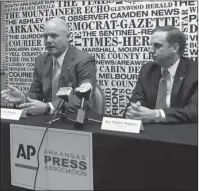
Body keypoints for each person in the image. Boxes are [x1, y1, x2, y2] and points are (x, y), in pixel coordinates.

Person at [1, 18, 96, 115]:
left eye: (54, 36)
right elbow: (36, 92)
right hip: (47, 120)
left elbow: (82, 99)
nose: (48, 40)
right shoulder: (41, 60)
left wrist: (48, 107)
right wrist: (23, 98)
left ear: (68, 37)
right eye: (45, 36)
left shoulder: (84, 60)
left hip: (74, 120)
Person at [124, 26, 197, 123]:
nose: (150, 50)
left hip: (180, 132)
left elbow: (194, 112)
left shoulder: (195, 72)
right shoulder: (147, 70)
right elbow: (136, 101)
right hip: (149, 131)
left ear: (174, 48)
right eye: (150, 45)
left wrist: (157, 115)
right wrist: (133, 111)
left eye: (157, 46)